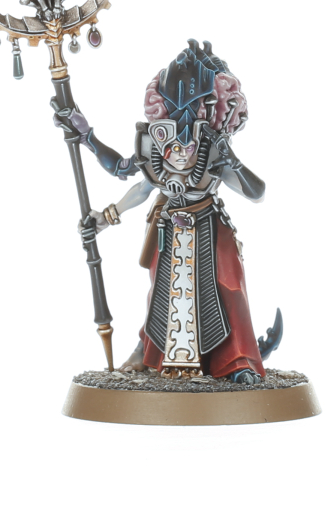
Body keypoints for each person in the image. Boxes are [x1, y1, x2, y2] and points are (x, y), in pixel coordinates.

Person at [56, 39, 273, 384]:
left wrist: (231, 160)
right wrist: (88, 139)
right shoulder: (154, 145)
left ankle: (240, 359)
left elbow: (256, 193)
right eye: (172, 137)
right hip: (168, 226)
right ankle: (147, 351)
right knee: (162, 292)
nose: (181, 150)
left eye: (190, 139)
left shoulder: (215, 152)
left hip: (210, 224)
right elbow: (133, 178)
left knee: (228, 286)